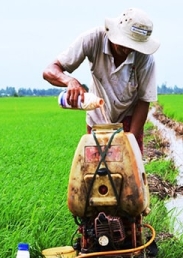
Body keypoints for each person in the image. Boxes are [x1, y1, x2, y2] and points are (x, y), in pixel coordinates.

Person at [42, 7, 160, 154]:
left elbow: (144, 100)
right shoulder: (93, 39)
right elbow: (49, 71)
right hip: (97, 121)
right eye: (125, 44)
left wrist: (131, 140)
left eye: (133, 47)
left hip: (129, 119)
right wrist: (69, 81)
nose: (128, 50)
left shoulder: (144, 58)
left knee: (129, 172)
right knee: (94, 171)